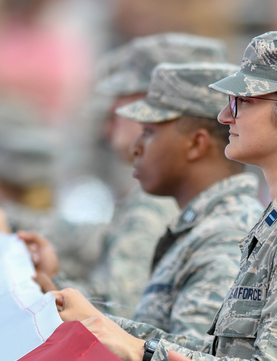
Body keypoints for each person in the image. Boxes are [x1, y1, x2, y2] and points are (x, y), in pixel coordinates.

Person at [52, 31, 277, 361]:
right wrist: (103, 324)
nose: (224, 115)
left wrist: (137, 350)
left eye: (241, 102)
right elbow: (227, 359)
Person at [34, 61, 264, 339]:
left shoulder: (226, 234)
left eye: (149, 133)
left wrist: (92, 321)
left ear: (196, 144)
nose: (136, 147)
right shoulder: (199, 225)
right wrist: (57, 288)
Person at [16, 33, 230, 319]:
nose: (111, 119)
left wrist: (51, 289)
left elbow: (121, 319)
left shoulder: (160, 201)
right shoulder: (169, 195)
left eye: (123, 101)